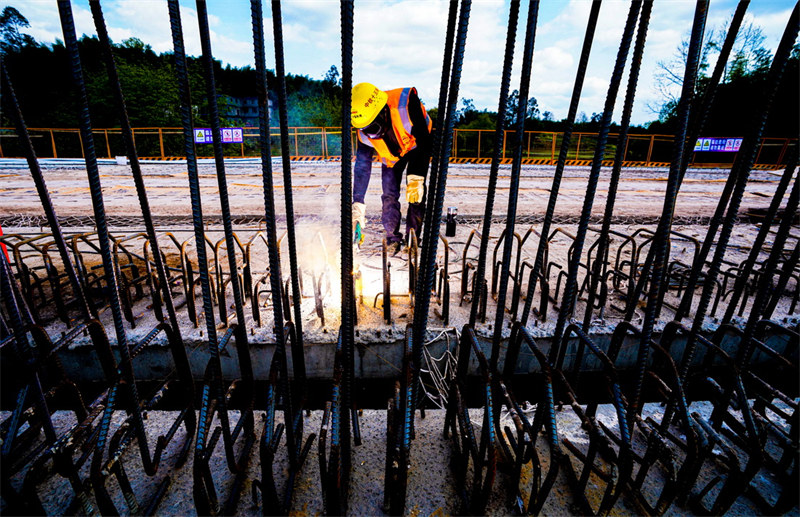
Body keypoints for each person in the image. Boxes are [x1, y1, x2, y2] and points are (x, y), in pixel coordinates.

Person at [350, 82, 432, 255]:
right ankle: (392, 238)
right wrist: (357, 202)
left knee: (415, 193)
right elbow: (362, 167)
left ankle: (413, 238)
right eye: (366, 129)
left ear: (383, 112)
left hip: (417, 147)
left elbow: (425, 142)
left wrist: (417, 178)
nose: (371, 134)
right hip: (392, 156)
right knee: (389, 195)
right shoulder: (363, 131)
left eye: (373, 127)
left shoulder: (406, 104)